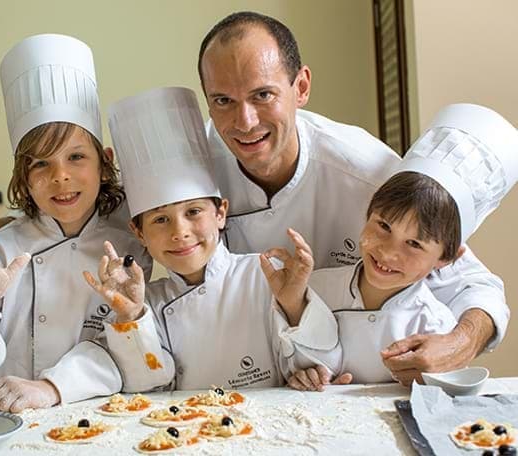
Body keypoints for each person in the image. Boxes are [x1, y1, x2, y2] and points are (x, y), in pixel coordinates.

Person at [198, 11, 509, 386]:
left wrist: (460, 342)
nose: (244, 122)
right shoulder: (194, 171)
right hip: (241, 375)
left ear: (301, 87)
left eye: (263, 95)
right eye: (222, 100)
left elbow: (474, 284)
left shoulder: (367, 172)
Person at [0, 34, 150, 413]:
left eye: (76, 156)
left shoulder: (129, 250)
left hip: (99, 416)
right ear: (24, 176)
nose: (60, 177)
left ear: (104, 161)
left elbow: (134, 360)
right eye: (41, 163)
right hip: (5, 419)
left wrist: (52, 387)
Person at [83, 87, 341, 390]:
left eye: (193, 211)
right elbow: (146, 386)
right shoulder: (146, 304)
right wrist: (132, 317)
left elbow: (324, 360)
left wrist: (295, 307)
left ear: (221, 213)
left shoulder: (264, 276)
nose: (179, 232)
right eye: (160, 219)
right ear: (139, 232)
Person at [288, 104, 518, 389]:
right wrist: (303, 374)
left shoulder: (435, 325)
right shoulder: (317, 287)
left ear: (447, 258)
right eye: (384, 226)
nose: (387, 252)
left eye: (414, 243)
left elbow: (447, 400)